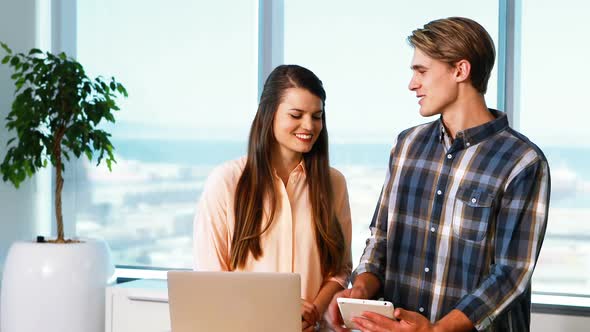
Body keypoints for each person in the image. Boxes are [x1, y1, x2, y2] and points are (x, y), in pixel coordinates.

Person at [325, 17, 550, 332]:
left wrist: (437, 330)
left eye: (421, 71)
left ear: (460, 70)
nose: (412, 84)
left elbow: (511, 274)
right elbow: (381, 238)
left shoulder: (522, 162)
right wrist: (360, 289)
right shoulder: (406, 145)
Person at [194, 64, 352, 331]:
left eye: (316, 116)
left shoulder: (334, 183)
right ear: (269, 115)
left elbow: (339, 269)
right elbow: (211, 278)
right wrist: (277, 310)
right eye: (296, 114)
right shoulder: (226, 182)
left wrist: (312, 312)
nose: (309, 126)